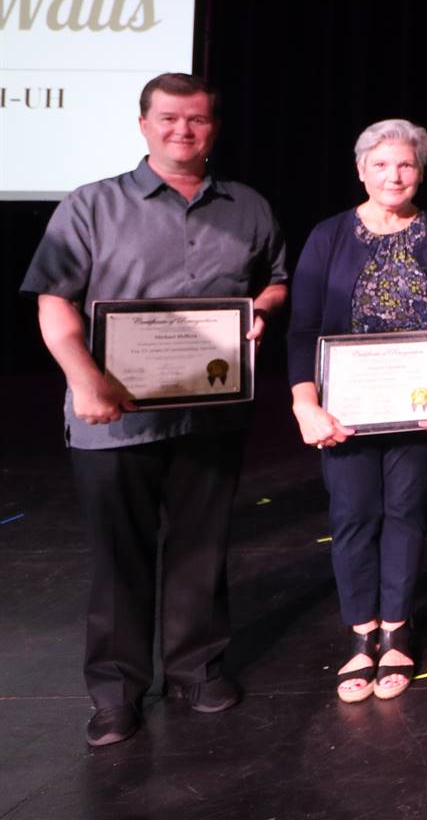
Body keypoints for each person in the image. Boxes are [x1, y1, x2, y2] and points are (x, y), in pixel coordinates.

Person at [21, 73, 287, 745]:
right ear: (143, 124)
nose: (182, 130)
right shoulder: (89, 206)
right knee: (121, 559)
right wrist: (84, 379)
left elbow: (275, 281)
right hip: (113, 417)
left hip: (211, 412)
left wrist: (258, 312)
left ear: (213, 129)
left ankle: (196, 670)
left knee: (202, 550)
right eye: (168, 119)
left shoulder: (249, 206)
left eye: (196, 120)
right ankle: (115, 693)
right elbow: (54, 303)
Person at [286, 119, 427, 702]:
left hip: (416, 407)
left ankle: (396, 628)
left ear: (420, 171)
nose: (395, 176)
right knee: (353, 515)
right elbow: (302, 331)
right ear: (361, 169)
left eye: (406, 165)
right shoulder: (328, 236)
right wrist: (304, 404)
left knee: (406, 513)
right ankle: (359, 634)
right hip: (345, 410)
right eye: (382, 164)